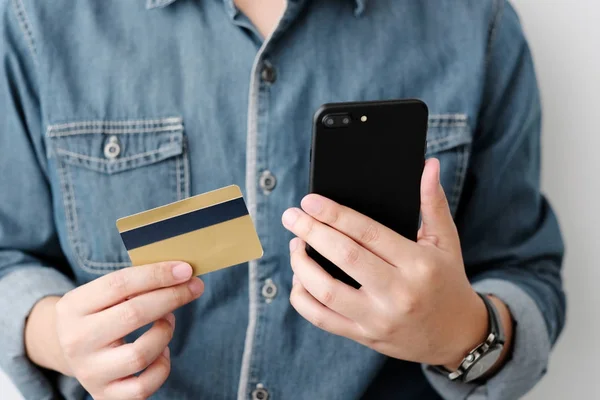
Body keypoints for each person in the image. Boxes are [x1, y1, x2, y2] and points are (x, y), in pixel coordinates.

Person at [0, 0, 565, 399]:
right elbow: (9, 255)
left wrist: (462, 334)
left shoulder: (475, 22)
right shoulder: (39, 17)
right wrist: (57, 337)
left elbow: (525, 271)